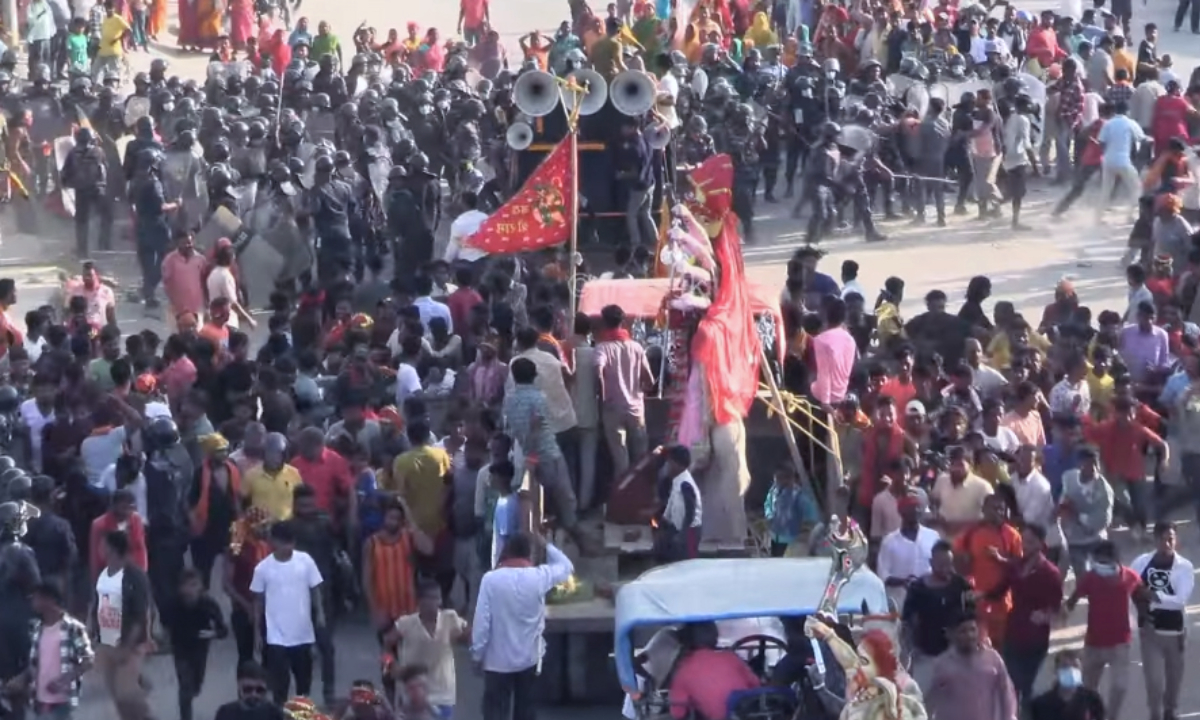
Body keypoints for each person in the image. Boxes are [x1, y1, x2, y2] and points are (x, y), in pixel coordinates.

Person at [471, 532, 573, 720]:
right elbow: (567, 566)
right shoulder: (539, 577)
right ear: (530, 554)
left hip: (496, 662)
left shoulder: (490, 580)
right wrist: (546, 545)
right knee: (525, 711)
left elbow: (482, 623)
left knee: (495, 712)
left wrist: (477, 654)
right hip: (528, 660)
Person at [1063, 540, 1141, 720]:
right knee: (1088, 688)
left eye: (1104, 561)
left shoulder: (1130, 577)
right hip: (1094, 643)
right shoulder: (1091, 577)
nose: (1101, 565)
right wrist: (1065, 611)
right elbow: (1074, 598)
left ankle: (1111, 717)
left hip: (1120, 643)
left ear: (1116, 561)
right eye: (1098, 561)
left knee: (1120, 686)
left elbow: (1141, 595)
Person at [250, 520, 325, 703]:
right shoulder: (262, 569)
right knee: (280, 687)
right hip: (276, 637)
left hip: (302, 634)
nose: (288, 547)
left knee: (303, 685)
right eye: (284, 542)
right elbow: (258, 602)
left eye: (291, 542)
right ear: (273, 541)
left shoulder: (305, 561)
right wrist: (257, 635)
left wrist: (320, 613)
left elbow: (315, 589)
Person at [1129, 521, 1193, 720]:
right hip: (1150, 632)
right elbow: (1130, 587)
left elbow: (1180, 600)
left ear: (1176, 540)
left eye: (1170, 539)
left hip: (1175, 632)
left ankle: (1170, 710)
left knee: (1173, 680)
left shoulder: (1184, 567)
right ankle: (1155, 714)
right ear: (1155, 540)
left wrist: (1153, 596)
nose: (1167, 544)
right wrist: (1140, 605)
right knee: (1154, 682)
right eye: (1162, 539)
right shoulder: (1140, 563)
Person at [88, 530, 152, 720]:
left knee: (127, 695)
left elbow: (140, 615)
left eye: (103, 544)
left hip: (128, 645)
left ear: (113, 548)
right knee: (117, 696)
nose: (99, 548)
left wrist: (127, 646)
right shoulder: (104, 574)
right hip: (107, 642)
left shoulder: (135, 576)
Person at [6, 582, 94, 718]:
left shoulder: (73, 629)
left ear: (49, 600)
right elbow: (36, 664)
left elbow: (88, 660)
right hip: (40, 700)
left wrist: (65, 679)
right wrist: (21, 679)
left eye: (36, 598)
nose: (33, 602)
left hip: (61, 701)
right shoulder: (37, 630)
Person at [386, 579, 469, 719]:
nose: (434, 602)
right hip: (413, 693)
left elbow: (471, 636)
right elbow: (387, 644)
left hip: (443, 693)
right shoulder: (406, 623)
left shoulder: (450, 619)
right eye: (429, 598)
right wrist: (391, 665)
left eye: (437, 597)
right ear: (419, 601)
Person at [1002, 524, 1063, 710]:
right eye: (1023, 540)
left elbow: (1057, 608)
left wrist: (1044, 615)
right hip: (1012, 631)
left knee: (1027, 686)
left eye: (1030, 541)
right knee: (1011, 683)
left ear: (1041, 544)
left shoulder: (1051, 573)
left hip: (1035, 639)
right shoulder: (1017, 565)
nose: (1025, 545)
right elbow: (1000, 588)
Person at [901, 541, 973, 692]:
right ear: (931, 563)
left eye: (949, 564)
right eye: (941, 565)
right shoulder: (918, 588)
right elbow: (907, 621)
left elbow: (971, 616)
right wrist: (911, 648)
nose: (946, 569)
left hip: (954, 653)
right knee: (924, 697)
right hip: (926, 654)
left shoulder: (960, 585)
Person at [926, 611, 1018, 720]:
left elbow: (1006, 693)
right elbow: (930, 700)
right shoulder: (942, 665)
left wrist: (1009, 717)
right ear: (951, 635)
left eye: (972, 630)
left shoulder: (993, 659)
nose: (969, 635)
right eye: (963, 631)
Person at [163, 567, 228, 720]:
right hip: (180, 649)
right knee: (185, 686)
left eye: (194, 585)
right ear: (180, 588)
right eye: (187, 585)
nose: (190, 590)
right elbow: (164, 624)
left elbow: (223, 630)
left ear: (200, 587)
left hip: (200, 649)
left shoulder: (208, 604)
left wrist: (213, 633)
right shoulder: (173, 604)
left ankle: (191, 692)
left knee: (196, 687)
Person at [667, 620, 761, 719]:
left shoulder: (682, 672)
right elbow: (756, 684)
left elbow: (678, 713)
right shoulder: (731, 657)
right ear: (715, 637)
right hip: (753, 714)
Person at [1029, 650, 1106, 720]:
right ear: (1056, 671)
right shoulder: (1041, 704)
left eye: (1075, 666)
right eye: (1065, 666)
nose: (1071, 670)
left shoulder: (1092, 700)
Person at [213, 662, 289, 720]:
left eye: (259, 690)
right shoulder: (225, 713)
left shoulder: (276, 714)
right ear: (239, 687)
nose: (254, 694)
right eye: (248, 689)